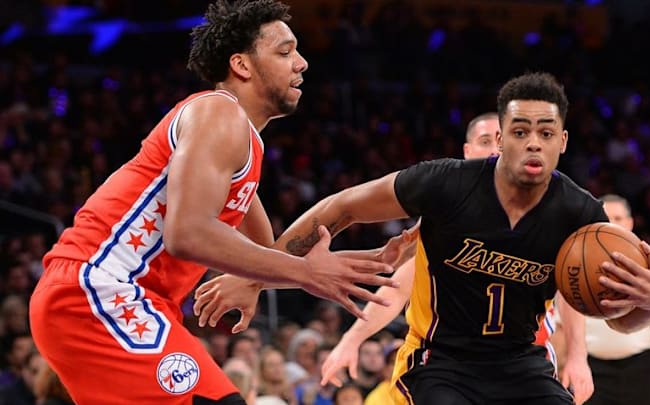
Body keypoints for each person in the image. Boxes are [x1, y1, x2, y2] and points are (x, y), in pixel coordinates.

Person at [28, 1, 398, 404]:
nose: (302, 63)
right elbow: (188, 233)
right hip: (98, 290)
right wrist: (306, 272)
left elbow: (264, 251)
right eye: (285, 51)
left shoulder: (244, 143)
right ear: (241, 65)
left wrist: (282, 276)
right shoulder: (218, 113)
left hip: (121, 299)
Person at [267, 72, 650, 404]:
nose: (533, 142)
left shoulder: (581, 215)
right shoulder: (445, 184)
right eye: (520, 131)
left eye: (546, 133)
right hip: (441, 361)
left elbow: (616, 317)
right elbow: (343, 206)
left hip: (521, 362)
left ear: (562, 142)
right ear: (500, 140)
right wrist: (261, 272)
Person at [315, 112, 590, 401]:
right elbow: (398, 288)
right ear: (467, 152)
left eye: (502, 141)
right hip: (447, 363)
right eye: (485, 141)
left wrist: (577, 355)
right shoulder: (447, 210)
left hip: (523, 363)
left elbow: (571, 286)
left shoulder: (551, 212)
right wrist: (352, 339)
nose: (495, 150)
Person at [583, 194, 650, 405]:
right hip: (590, 366)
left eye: (618, 218)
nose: (612, 223)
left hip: (640, 365)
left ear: (630, 223)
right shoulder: (578, 259)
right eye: (606, 218)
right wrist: (564, 363)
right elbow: (561, 323)